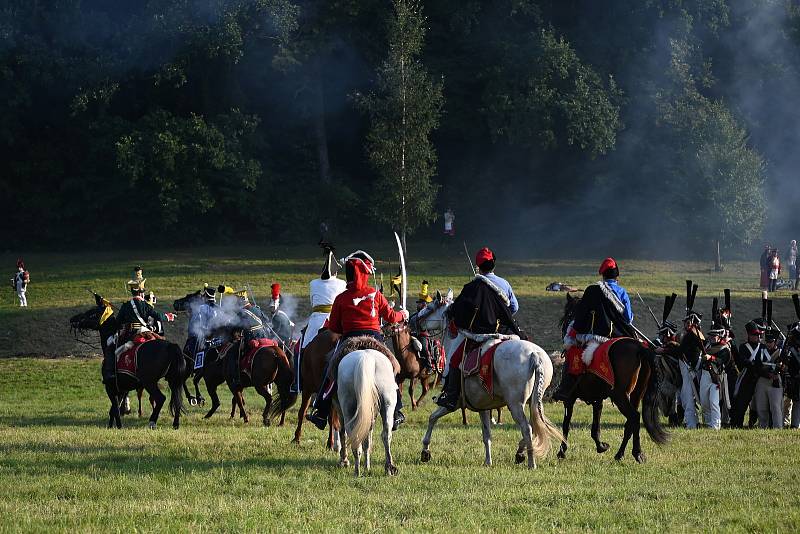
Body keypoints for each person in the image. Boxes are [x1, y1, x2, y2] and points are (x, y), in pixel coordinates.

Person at [305, 250, 409, 430]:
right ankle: (397, 410)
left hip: (349, 340)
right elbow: (391, 316)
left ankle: (321, 412)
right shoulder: (375, 295)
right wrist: (403, 314)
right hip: (374, 339)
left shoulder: (341, 298)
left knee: (329, 372)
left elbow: (335, 328)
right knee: (392, 368)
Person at [437, 247, 523, 409]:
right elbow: (514, 307)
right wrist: (500, 317)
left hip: (480, 335)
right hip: (503, 331)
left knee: (455, 361)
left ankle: (452, 396)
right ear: (493, 265)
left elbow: (461, 312)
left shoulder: (473, 286)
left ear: (478, 267)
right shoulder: (504, 283)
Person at [554, 257, 634, 402]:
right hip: (619, 337)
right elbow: (628, 319)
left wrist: (572, 334)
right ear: (617, 277)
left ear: (602, 275)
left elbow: (581, 316)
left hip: (596, 337)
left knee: (573, 353)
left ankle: (565, 388)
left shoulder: (593, 290)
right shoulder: (622, 292)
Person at [104, 277, 175, 383]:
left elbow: (118, 322)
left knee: (111, 348)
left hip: (130, 334)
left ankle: (111, 373)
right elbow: (158, 316)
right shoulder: (145, 305)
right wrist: (169, 316)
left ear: (132, 292)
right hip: (146, 332)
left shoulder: (126, 306)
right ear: (142, 293)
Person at [730, 320, 769, 427]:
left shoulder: (763, 347)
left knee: (760, 405)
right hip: (747, 379)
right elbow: (743, 361)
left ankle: (754, 423)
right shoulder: (743, 347)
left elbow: (767, 361)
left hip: (760, 379)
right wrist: (756, 365)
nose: (758, 337)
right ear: (749, 334)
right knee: (741, 404)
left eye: (758, 334)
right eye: (755, 334)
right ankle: (737, 424)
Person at [698, 328, 731, 429]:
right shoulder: (707, 346)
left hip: (716, 377)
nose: (712, 338)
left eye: (714, 336)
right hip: (705, 375)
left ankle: (716, 425)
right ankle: (708, 423)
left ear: (719, 336)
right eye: (711, 336)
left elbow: (721, 361)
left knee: (714, 402)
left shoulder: (724, 348)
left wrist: (710, 358)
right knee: (704, 402)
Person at [754, 327, 784, 428]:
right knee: (761, 407)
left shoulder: (781, 353)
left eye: (770, 342)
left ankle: (778, 427)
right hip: (763, 380)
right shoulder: (760, 351)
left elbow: (786, 368)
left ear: (775, 342)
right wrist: (768, 374)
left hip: (775, 381)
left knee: (776, 407)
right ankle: (763, 426)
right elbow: (757, 366)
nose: (768, 344)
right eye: (767, 341)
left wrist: (782, 367)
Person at [185, 284, 218, 362]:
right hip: (216, 338)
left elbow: (193, 326)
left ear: (206, 295)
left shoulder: (200, 308)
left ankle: (194, 366)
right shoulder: (219, 308)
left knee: (189, 349)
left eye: (204, 295)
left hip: (202, 338)